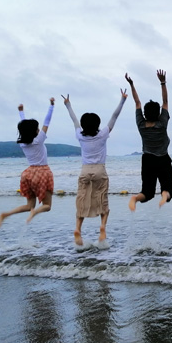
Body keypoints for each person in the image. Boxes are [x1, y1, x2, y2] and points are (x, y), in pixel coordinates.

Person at [63, 90, 127, 245]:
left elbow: (74, 120)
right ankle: (102, 227)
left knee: (82, 199)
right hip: (100, 170)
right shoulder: (102, 134)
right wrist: (122, 100)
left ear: (84, 124)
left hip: (85, 170)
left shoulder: (80, 135)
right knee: (102, 199)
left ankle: (78, 229)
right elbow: (114, 117)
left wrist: (68, 105)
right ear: (98, 124)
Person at [0, 98, 55, 227]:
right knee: (47, 206)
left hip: (28, 174)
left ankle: (6, 214)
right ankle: (35, 212)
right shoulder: (39, 140)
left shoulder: (23, 143)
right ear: (35, 131)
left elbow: (24, 127)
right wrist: (51, 106)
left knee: (29, 205)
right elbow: (47, 121)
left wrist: (21, 112)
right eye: (37, 128)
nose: (39, 129)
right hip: (43, 173)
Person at [125, 70, 172, 211]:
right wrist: (163, 82)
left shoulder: (141, 124)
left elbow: (137, 102)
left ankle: (135, 198)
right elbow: (165, 101)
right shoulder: (162, 123)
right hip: (163, 159)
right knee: (167, 189)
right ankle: (164, 196)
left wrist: (131, 84)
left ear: (145, 113)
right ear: (158, 113)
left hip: (147, 160)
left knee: (147, 192)